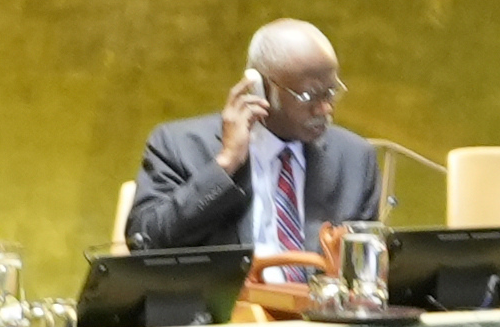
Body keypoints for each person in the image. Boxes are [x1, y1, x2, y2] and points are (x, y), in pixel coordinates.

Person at [126, 18, 389, 259]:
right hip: (227, 310)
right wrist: (225, 165)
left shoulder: (355, 158)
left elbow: (361, 266)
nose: (325, 109)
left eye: (330, 92)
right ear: (260, 87)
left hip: (314, 309)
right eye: (308, 96)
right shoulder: (180, 144)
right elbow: (145, 243)